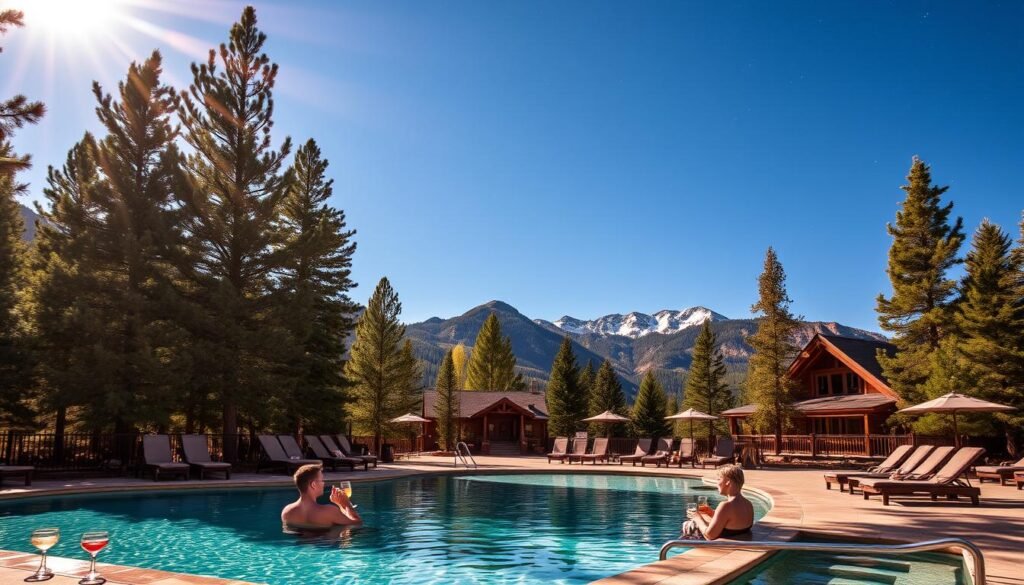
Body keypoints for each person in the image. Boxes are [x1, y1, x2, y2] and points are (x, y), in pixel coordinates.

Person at [681, 464, 753, 540]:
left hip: (723, 547)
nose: (717, 483)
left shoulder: (726, 506)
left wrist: (697, 518)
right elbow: (733, 523)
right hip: (737, 542)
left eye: (718, 479)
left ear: (727, 482)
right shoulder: (748, 504)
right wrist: (712, 513)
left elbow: (709, 536)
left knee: (688, 526)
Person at [281, 464, 362, 530]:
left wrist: (340, 504)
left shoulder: (286, 512)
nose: (323, 483)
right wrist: (346, 504)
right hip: (327, 548)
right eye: (322, 480)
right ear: (313, 484)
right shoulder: (329, 511)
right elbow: (357, 523)